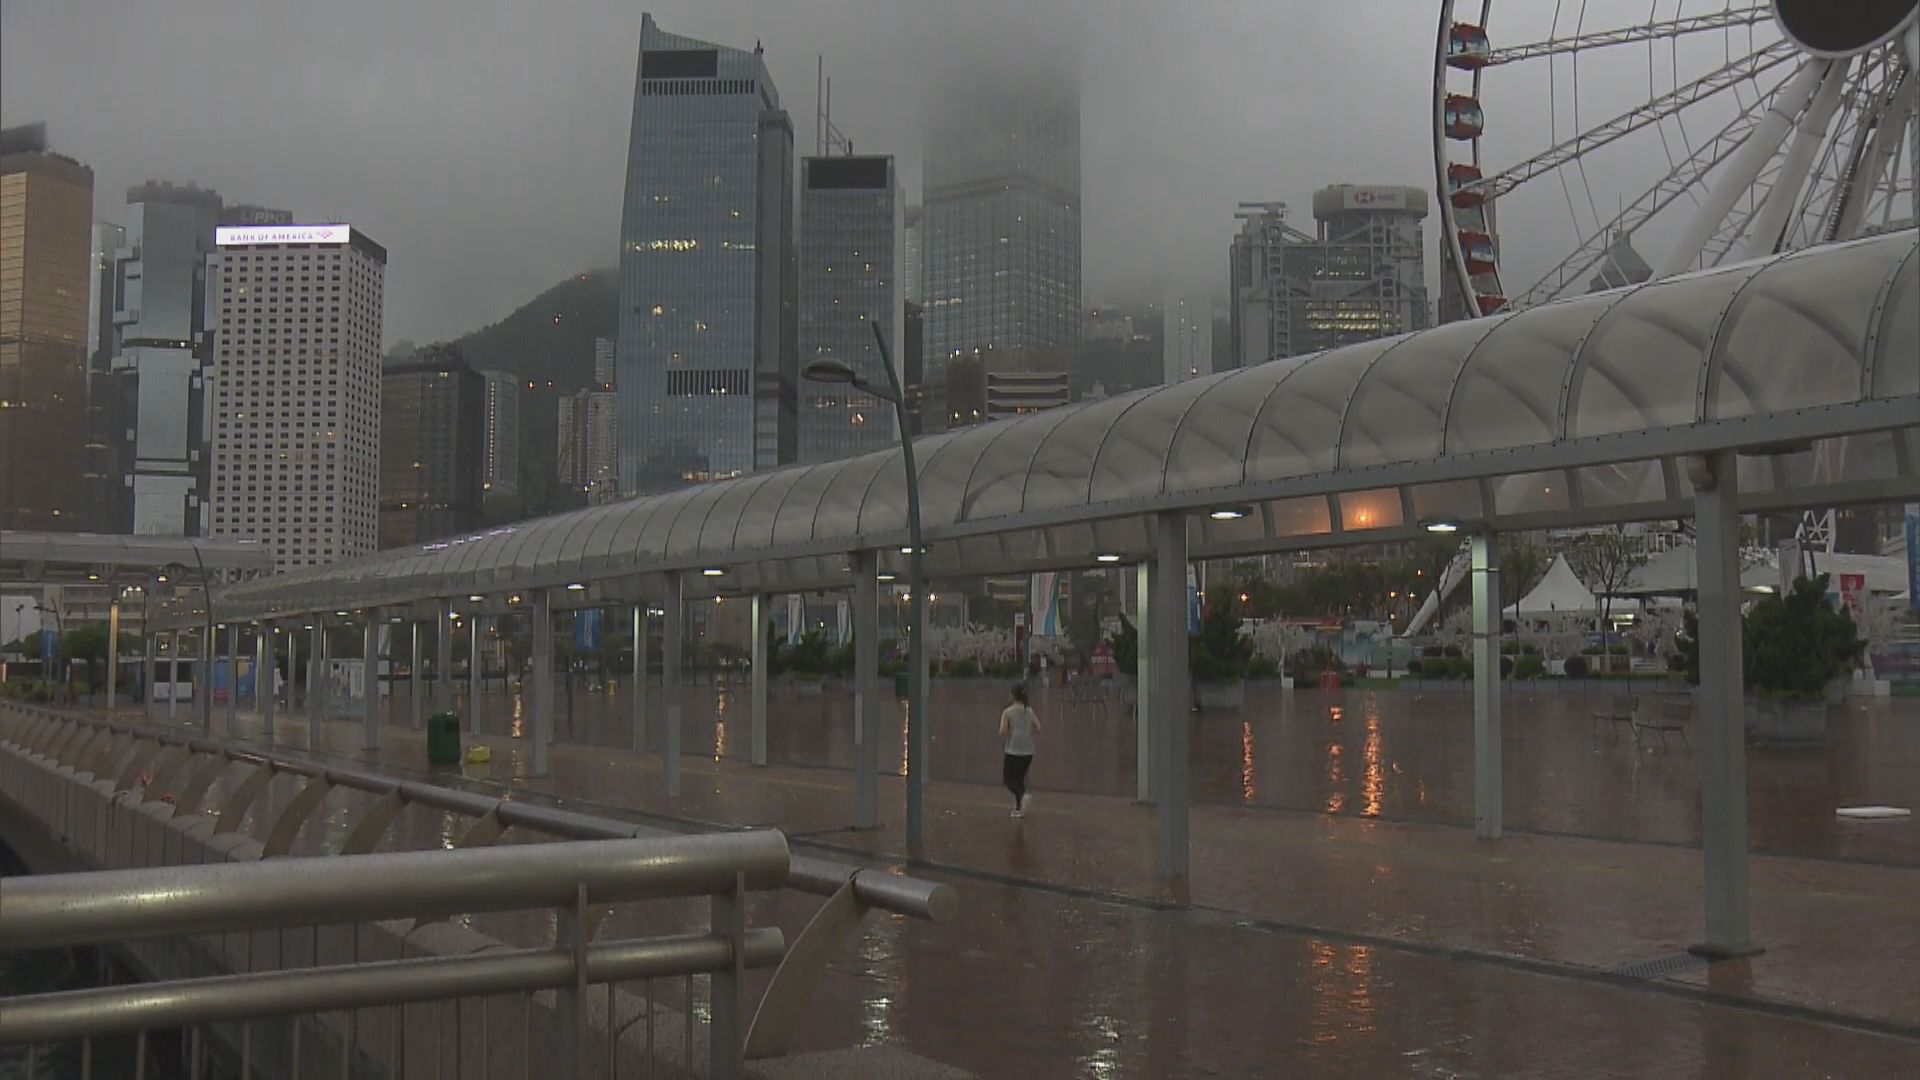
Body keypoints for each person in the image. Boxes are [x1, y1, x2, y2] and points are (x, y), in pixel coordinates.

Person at [999, 683, 1041, 818]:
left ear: (1013, 695)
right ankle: (1018, 809)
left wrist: (1008, 728)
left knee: (1008, 779)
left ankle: (1023, 797)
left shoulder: (1007, 712)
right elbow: (1039, 728)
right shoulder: (1029, 711)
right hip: (1028, 751)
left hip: (1013, 750)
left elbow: (1003, 731)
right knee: (1019, 779)